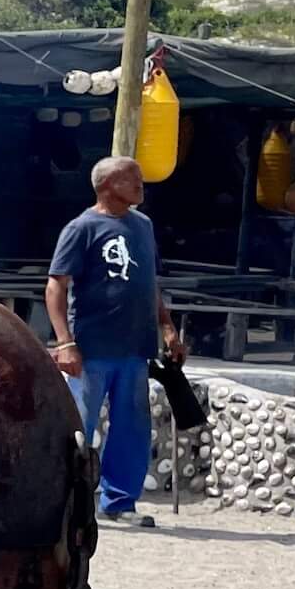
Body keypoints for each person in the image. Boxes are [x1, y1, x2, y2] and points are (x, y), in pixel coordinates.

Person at [44, 154, 183, 527]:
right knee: (78, 428)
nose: (140, 186)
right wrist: (64, 341)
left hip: (135, 346)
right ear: (107, 186)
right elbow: (56, 285)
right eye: (131, 180)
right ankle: (63, 504)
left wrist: (167, 327)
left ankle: (119, 502)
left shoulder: (143, 226)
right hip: (92, 345)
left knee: (132, 426)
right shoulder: (82, 228)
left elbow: (147, 281)